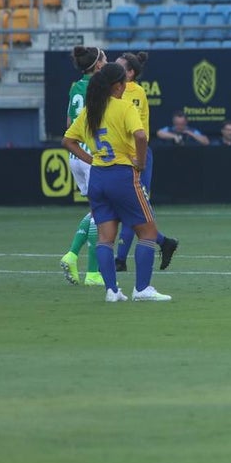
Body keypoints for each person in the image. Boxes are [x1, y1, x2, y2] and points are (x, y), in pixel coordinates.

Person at [62, 62, 172, 302]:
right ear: (117, 85)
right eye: (123, 83)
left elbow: (68, 141)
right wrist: (141, 162)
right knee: (149, 231)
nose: (125, 87)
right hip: (121, 175)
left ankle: (112, 291)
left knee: (105, 237)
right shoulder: (123, 107)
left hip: (99, 178)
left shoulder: (91, 110)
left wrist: (92, 160)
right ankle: (142, 289)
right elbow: (141, 135)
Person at [113, 52, 176, 273]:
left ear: (130, 72)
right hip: (123, 154)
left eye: (120, 66)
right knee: (129, 209)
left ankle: (120, 260)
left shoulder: (132, 92)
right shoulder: (120, 89)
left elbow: (127, 126)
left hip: (135, 154)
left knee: (134, 208)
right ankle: (163, 242)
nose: (114, 68)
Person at [60, 46, 108, 287]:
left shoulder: (75, 87)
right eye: (105, 58)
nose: (107, 61)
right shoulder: (99, 86)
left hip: (75, 154)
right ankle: (92, 273)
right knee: (101, 214)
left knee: (95, 211)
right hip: (91, 154)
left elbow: (70, 123)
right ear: (98, 64)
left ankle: (72, 255)